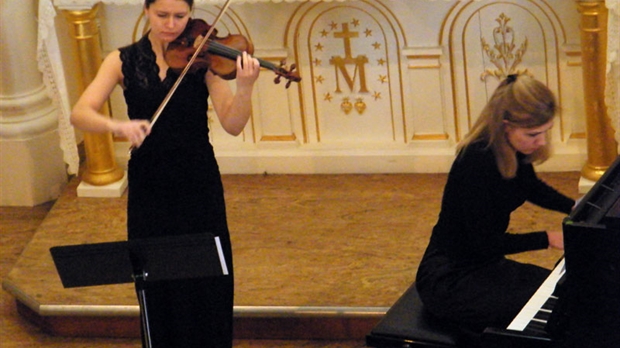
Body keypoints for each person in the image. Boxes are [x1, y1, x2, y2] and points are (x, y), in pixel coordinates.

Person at [70, 0, 260, 346]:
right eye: (162, 15)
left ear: (190, 14)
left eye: (180, 16)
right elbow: (80, 113)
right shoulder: (122, 60)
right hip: (150, 184)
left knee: (207, 276)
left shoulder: (202, 60)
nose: (171, 24)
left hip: (197, 180)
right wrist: (118, 126)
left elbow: (232, 124)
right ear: (146, 12)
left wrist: (245, 87)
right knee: (155, 277)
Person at [415, 74, 575, 346]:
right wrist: (547, 238)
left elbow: (531, 187)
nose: (540, 141)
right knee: (557, 311)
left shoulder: (511, 150)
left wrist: (575, 208)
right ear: (506, 125)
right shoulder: (476, 162)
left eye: (545, 131)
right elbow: (484, 243)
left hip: (482, 265)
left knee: (564, 293)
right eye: (533, 134)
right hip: (450, 279)